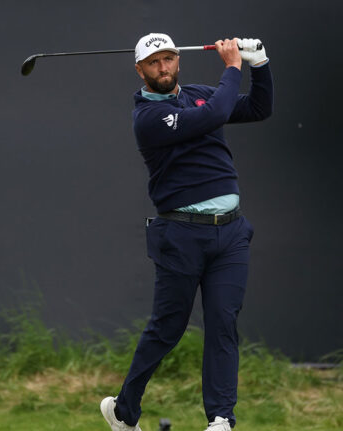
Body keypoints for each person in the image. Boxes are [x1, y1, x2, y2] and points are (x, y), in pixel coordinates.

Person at [100, 33, 273, 431]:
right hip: (181, 235)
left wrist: (260, 66)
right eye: (154, 62)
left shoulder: (199, 94)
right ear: (140, 69)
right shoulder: (147, 117)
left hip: (230, 235)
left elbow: (259, 108)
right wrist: (233, 67)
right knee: (167, 328)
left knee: (223, 323)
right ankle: (125, 409)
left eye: (169, 59)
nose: (163, 68)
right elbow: (212, 116)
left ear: (179, 60)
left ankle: (220, 418)